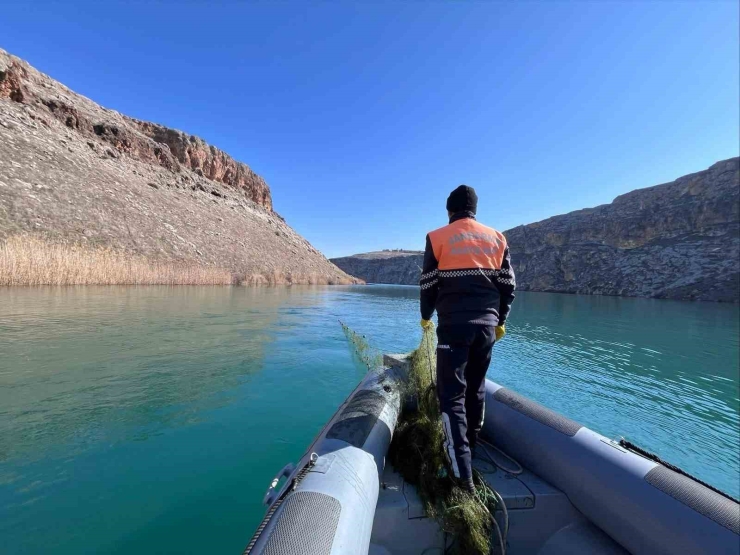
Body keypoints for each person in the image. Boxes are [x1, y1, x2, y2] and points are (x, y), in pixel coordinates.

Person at [419, 184, 516, 493]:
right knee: (475, 390)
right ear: (475, 209)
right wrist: (500, 321)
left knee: (451, 396)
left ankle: (462, 477)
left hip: (454, 327)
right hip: (486, 329)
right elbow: (508, 286)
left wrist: (425, 316)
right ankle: (469, 454)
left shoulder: (438, 237)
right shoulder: (497, 238)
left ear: (450, 210)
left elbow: (429, 284)